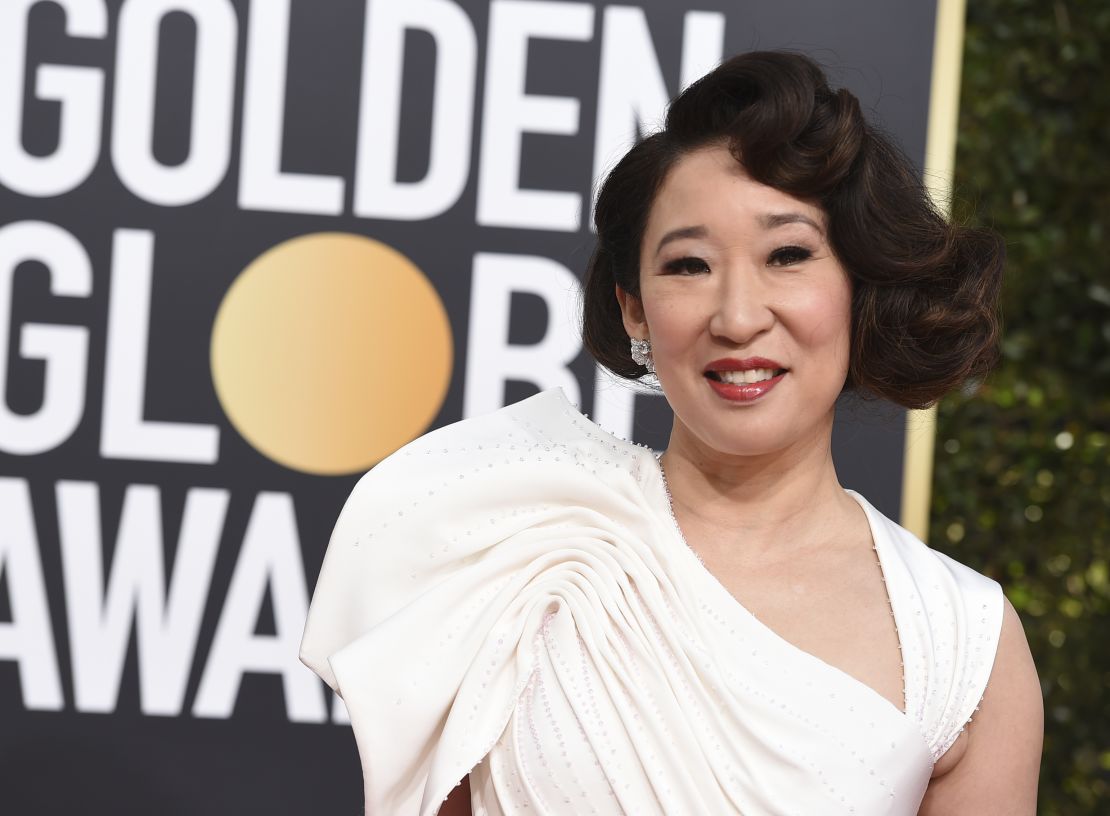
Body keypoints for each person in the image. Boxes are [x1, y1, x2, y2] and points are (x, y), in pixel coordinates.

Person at [299, 50, 1043, 815]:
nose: (738, 316)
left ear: (860, 284)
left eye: (787, 255)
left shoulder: (961, 639)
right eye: (689, 265)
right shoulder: (517, 538)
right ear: (633, 308)